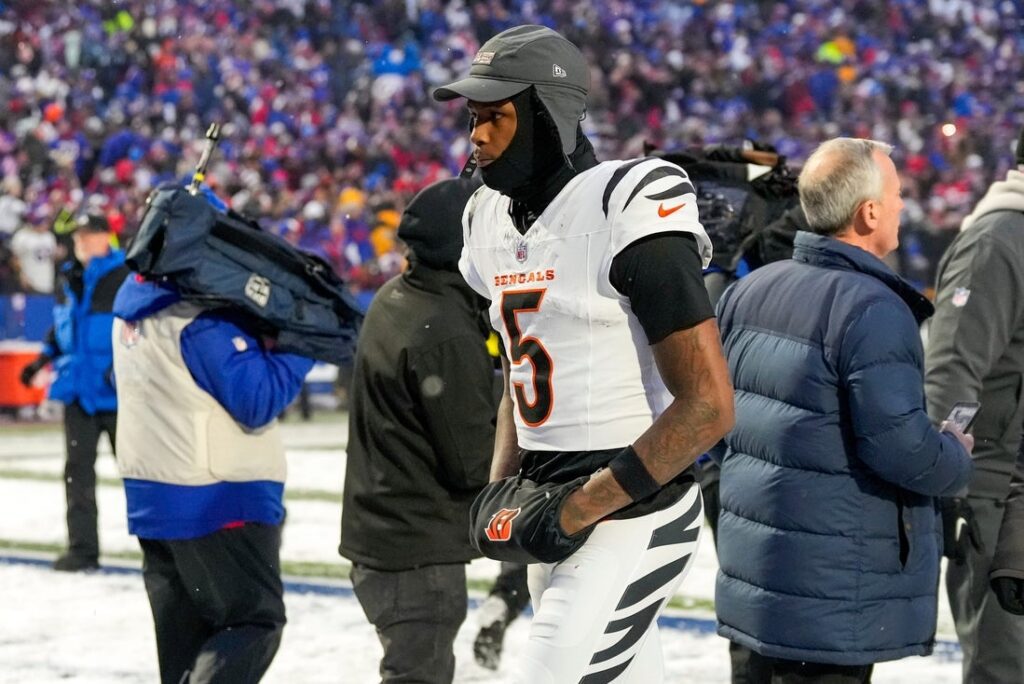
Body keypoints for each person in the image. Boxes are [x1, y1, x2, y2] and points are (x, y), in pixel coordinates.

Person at [433, 25, 735, 682]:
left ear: (548, 113)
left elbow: (708, 406)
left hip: (636, 504)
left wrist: (578, 508)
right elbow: (520, 370)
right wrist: (503, 485)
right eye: (473, 117)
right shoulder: (486, 219)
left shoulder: (623, 203)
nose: (476, 136)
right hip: (548, 497)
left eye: (495, 116)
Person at [713, 137, 974, 683]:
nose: (902, 205)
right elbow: (901, 449)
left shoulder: (747, 291)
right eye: (896, 194)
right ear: (869, 212)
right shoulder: (874, 308)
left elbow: (716, 424)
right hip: (831, 596)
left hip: (756, 581)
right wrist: (954, 453)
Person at [110, 253, 314, 682]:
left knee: (184, 647)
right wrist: (303, 343)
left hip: (155, 494)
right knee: (252, 621)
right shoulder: (199, 318)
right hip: (214, 494)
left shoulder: (135, 304)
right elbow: (256, 400)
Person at [338, 177, 497, 683]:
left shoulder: (396, 296)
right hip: (416, 551)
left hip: (385, 535)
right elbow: (473, 463)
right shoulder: (443, 329)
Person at [925, 127, 1024, 683]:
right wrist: (952, 484)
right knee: (1005, 663)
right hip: (1000, 496)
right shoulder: (999, 240)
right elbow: (953, 369)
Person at [20, 211, 129, 571]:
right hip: (79, 393)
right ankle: (82, 550)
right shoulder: (70, 276)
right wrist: (40, 361)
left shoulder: (125, 274)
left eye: (87, 234)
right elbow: (63, 329)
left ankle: (164, 554)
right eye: (77, 235)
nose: (80, 241)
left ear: (105, 236)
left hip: (118, 395)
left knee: (139, 476)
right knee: (77, 474)